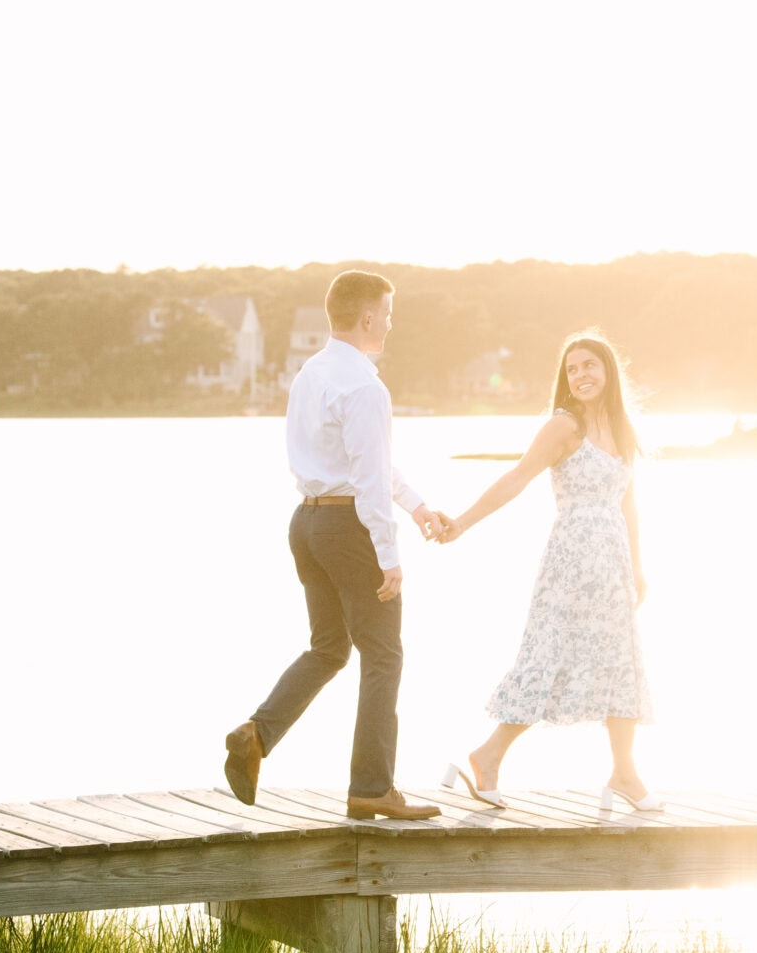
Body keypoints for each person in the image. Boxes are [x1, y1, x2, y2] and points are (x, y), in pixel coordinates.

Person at [224, 270, 448, 820]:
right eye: (388, 313)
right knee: (383, 654)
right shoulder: (366, 387)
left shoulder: (312, 372)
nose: (391, 322)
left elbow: (362, 461)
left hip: (307, 523)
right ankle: (372, 786)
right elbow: (368, 480)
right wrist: (390, 559)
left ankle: (256, 734)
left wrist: (416, 504)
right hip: (349, 529)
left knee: (329, 648)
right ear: (368, 317)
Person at [436, 332, 660, 813]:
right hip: (571, 562)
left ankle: (624, 773)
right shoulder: (564, 426)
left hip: (614, 563)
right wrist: (462, 522)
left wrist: (638, 566)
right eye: (572, 369)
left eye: (589, 366)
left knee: (623, 663)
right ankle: (488, 755)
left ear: (608, 372)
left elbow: (630, 502)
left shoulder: (623, 430)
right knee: (546, 658)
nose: (580, 375)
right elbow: (518, 477)